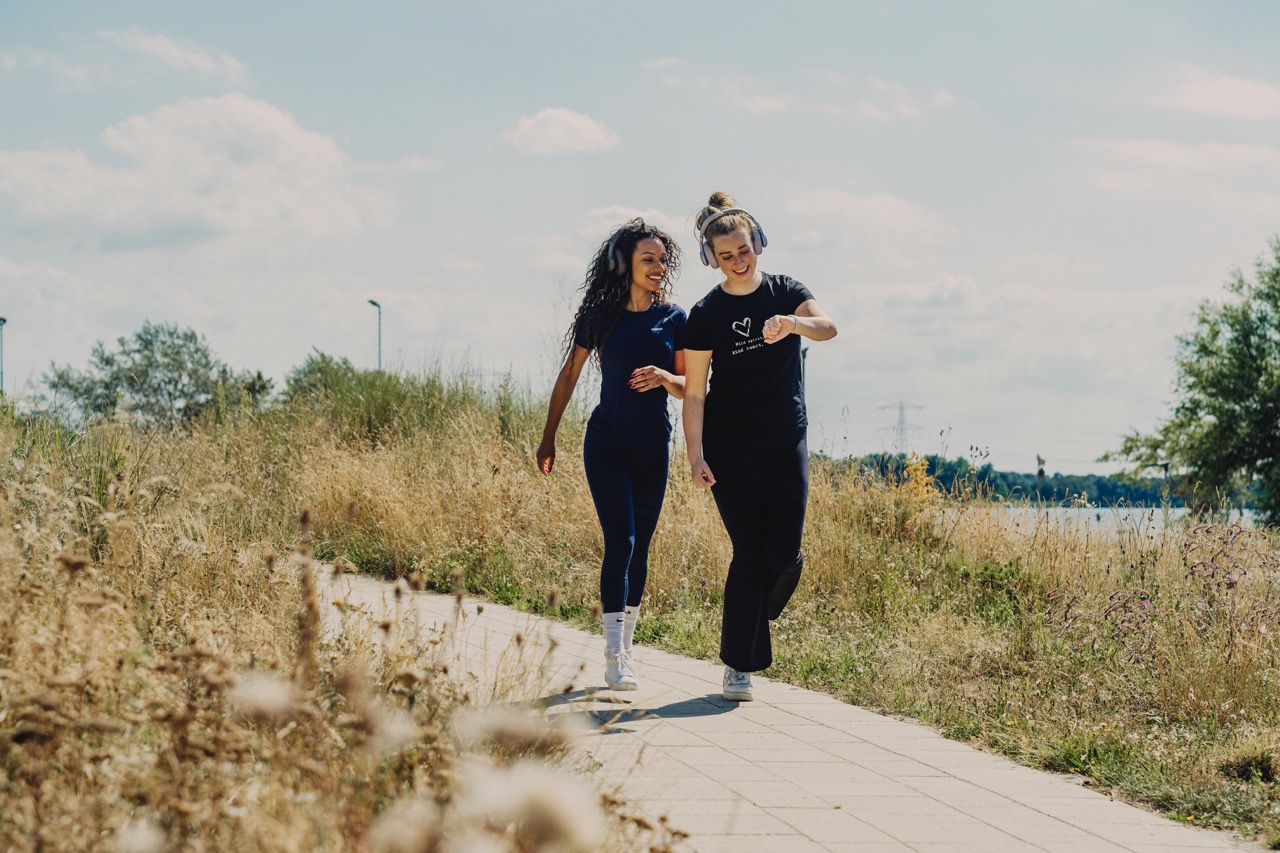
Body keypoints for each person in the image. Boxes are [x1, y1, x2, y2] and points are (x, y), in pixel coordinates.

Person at [682, 191, 838, 701]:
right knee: (749, 551)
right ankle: (737, 666)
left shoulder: (785, 291)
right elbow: (696, 392)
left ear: (759, 244)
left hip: (785, 434)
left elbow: (828, 327)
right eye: (725, 256)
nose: (737, 261)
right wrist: (696, 454)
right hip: (730, 443)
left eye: (743, 250)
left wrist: (793, 323)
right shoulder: (704, 314)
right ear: (711, 259)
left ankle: (752, 610)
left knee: (785, 555)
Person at [537, 218, 686, 691]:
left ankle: (628, 648)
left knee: (640, 546)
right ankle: (612, 654)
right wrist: (548, 438)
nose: (658, 266)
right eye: (649, 259)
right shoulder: (601, 317)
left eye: (663, 259)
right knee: (620, 540)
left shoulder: (675, 319)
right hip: (606, 443)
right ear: (626, 265)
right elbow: (568, 377)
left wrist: (665, 378)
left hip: (652, 447)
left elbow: (692, 387)